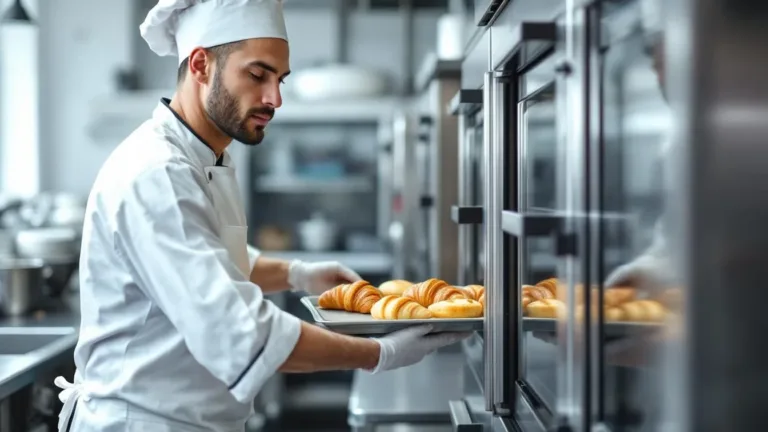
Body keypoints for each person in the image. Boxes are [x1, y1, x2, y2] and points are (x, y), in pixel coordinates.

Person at [54, 1, 468, 430]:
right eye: (257, 75)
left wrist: (300, 274)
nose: (275, 98)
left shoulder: (206, 158)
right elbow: (241, 333)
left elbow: (217, 263)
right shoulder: (157, 174)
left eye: (280, 79)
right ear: (201, 65)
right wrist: (381, 354)